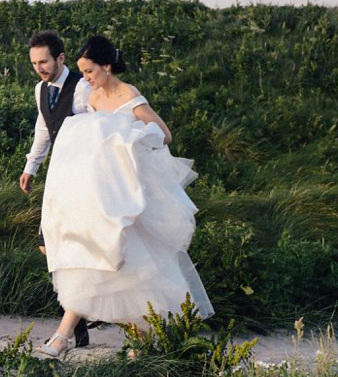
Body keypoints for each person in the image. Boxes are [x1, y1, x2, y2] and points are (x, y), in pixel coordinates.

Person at [36, 35, 214, 358]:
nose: (86, 79)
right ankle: (66, 335)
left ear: (107, 66)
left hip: (131, 195)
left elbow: (164, 135)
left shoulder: (130, 96)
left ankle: (139, 342)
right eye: (83, 73)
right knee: (94, 260)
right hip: (104, 193)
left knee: (134, 270)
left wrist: (128, 138)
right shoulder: (91, 96)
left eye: (89, 72)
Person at [18, 30, 93, 346]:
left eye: (44, 61)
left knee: (78, 247)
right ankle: (80, 316)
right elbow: (42, 130)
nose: (39, 68)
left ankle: (77, 319)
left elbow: (98, 128)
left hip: (85, 177)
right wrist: (30, 167)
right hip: (59, 177)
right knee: (48, 245)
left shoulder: (81, 88)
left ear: (61, 58)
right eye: (34, 63)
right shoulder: (40, 89)